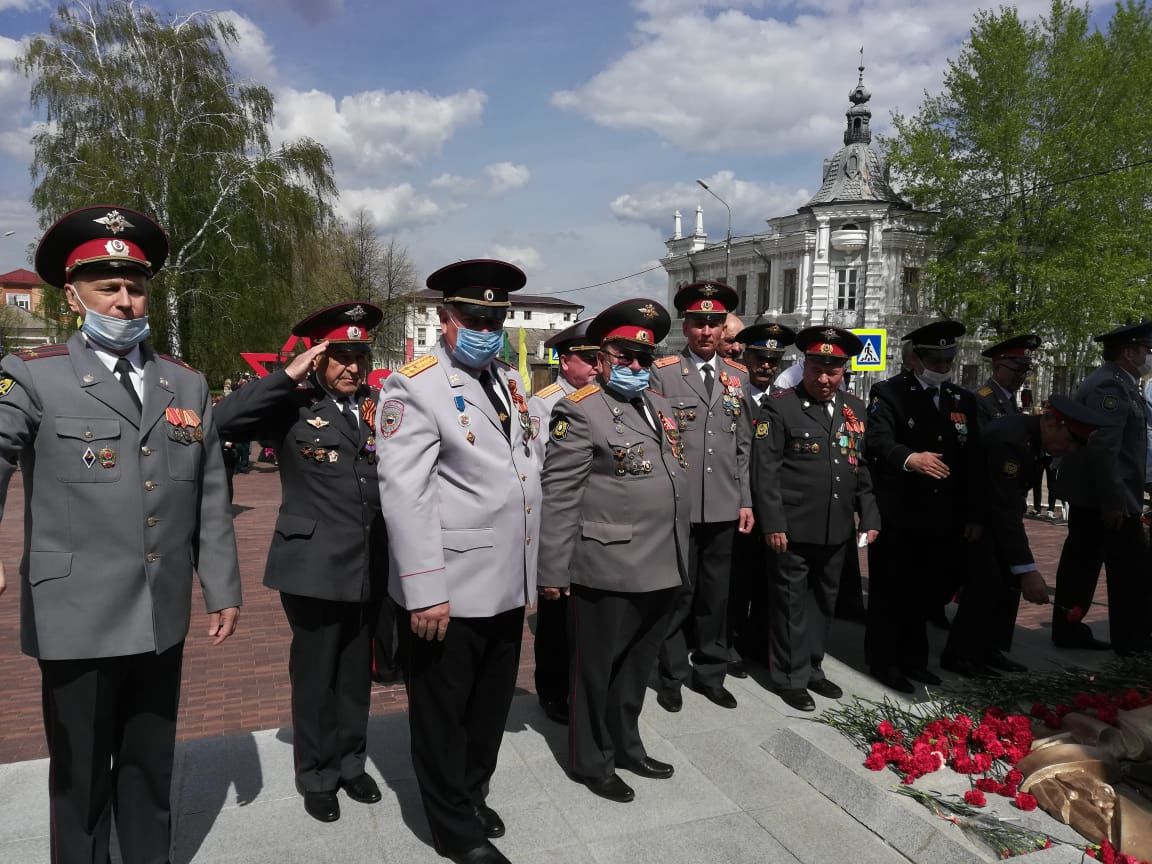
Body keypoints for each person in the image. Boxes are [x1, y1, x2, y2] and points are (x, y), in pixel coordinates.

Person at [0, 205, 241, 864]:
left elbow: (211, 493)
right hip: (75, 615)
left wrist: (220, 586)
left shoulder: (184, 381)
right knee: (80, 782)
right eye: (108, 286)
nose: (125, 299)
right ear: (72, 295)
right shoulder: (33, 372)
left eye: (135, 285)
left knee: (148, 768)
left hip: (159, 613)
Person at [376, 259, 541, 864]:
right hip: (449, 586)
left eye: (494, 319)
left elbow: (523, 474)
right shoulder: (414, 386)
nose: (485, 328)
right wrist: (424, 589)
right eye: (472, 317)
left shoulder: (506, 379)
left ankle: (471, 793)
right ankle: (452, 828)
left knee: (488, 706)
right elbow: (405, 492)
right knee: (443, 713)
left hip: (504, 580)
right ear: (445, 319)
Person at [214, 302, 387, 823]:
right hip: (312, 564)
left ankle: (352, 763)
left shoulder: (380, 406)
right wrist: (286, 376)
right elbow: (223, 419)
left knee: (357, 673)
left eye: (360, 355)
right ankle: (316, 774)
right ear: (317, 358)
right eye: (340, 356)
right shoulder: (291, 406)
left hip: (369, 561)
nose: (353, 367)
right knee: (316, 675)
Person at [538, 298, 688, 803]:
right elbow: (560, 495)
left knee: (635, 669)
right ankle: (591, 761)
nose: (636, 367)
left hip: (661, 563)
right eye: (624, 356)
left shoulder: (662, 407)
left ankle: (627, 743)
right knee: (595, 672)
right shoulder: (579, 410)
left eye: (644, 358)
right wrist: (552, 570)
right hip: (606, 565)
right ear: (601, 358)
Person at [753, 326, 880, 711]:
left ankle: (812, 667)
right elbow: (765, 472)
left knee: (824, 601)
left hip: (835, 526)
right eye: (816, 370)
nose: (824, 379)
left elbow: (861, 468)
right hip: (792, 528)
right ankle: (790, 677)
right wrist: (773, 524)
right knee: (791, 602)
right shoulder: (779, 407)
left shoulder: (854, 410)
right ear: (804, 366)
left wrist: (869, 517)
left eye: (833, 371)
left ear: (844, 371)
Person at [941, 396, 1111, 676]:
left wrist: (1021, 567)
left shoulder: (1033, 438)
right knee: (986, 582)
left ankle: (989, 649)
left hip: (994, 513)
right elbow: (1003, 504)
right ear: (1053, 424)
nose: (1068, 451)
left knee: (1007, 583)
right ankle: (962, 655)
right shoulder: (1011, 440)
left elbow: (1013, 500)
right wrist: (1028, 569)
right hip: (977, 518)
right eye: (1068, 442)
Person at [651, 281, 754, 712]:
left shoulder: (738, 377)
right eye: (698, 323)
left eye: (714, 323)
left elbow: (743, 444)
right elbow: (655, 439)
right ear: (686, 326)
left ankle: (710, 671)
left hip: (726, 505)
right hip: (681, 505)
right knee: (679, 592)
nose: (706, 332)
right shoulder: (664, 371)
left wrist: (746, 499)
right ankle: (672, 674)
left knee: (717, 595)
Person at [863, 319, 982, 693]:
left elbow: (973, 461)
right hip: (901, 513)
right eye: (935, 358)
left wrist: (974, 514)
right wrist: (909, 458)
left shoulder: (962, 400)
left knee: (927, 592)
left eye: (948, 357)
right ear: (916, 358)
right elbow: (877, 441)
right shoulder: (890, 393)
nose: (943, 364)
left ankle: (914, 659)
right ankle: (884, 661)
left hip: (943, 517)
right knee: (891, 591)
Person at [1051, 322, 1152, 654]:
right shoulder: (1111, 385)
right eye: (1145, 351)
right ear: (1128, 353)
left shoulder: (1121, 381)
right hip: (1106, 497)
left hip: (1097, 495)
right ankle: (1132, 640)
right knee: (1132, 570)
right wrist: (1115, 501)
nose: (1148, 356)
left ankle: (1069, 630)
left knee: (1082, 562)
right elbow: (1103, 448)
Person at [527, 318, 599, 726]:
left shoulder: (603, 398)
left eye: (597, 359)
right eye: (587, 359)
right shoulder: (546, 403)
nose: (594, 367)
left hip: (597, 522)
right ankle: (552, 692)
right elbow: (541, 470)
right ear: (566, 360)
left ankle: (581, 685)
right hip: (561, 522)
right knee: (555, 616)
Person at [728, 321, 796, 669]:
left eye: (774, 360)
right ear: (747, 358)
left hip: (772, 507)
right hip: (736, 504)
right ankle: (731, 642)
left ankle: (757, 642)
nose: (767, 366)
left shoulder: (786, 402)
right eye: (760, 358)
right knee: (736, 580)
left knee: (768, 580)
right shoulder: (730, 396)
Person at [975, 334, 1040, 426]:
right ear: (997, 367)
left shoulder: (1010, 397)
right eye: (1017, 370)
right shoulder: (981, 400)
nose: (1022, 376)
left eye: (1026, 371)